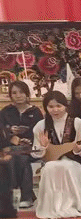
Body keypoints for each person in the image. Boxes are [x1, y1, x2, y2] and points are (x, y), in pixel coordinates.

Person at [31, 90, 81, 218]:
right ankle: (53, 207)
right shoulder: (41, 125)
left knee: (66, 167)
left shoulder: (77, 123)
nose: (55, 110)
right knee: (49, 168)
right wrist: (42, 147)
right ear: (45, 108)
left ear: (65, 106)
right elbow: (35, 154)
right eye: (51, 106)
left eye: (58, 106)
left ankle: (73, 204)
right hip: (52, 161)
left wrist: (79, 150)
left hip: (75, 162)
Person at [2, 79, 42, 209]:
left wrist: (29, 140)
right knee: (12, 157)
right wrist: (10, 134)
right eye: (14, 93)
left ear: (27, 94)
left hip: (31, 148)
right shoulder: (5, 112)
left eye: (21, 92)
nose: (18, 95)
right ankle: (25, 194)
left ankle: (25, 196)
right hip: (10, 147)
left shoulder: (35, 112)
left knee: (21, 157)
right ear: (10, 95)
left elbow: (41, 131)